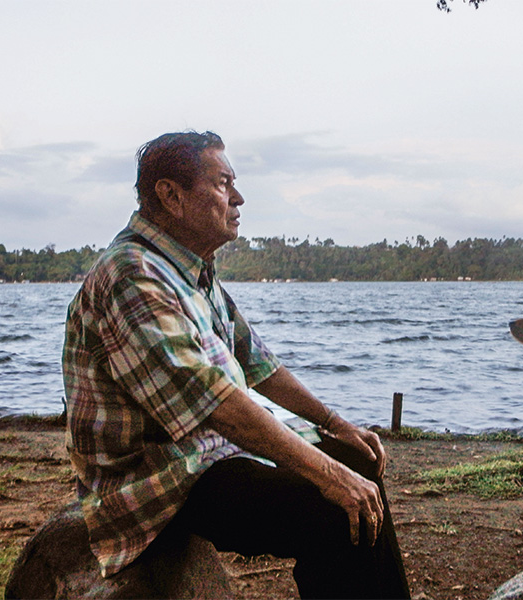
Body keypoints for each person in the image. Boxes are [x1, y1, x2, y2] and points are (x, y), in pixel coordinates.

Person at [62, 130, 410, 599]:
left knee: (357, 460)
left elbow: (257, 361)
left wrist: (336, 426)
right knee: (330, 505)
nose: (238, 198)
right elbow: (215, 403)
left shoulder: (188, 270)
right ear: (171, 195)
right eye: (224, 183)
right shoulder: (133, 275)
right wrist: (327, 475)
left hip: (209, 457)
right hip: (160, 481)